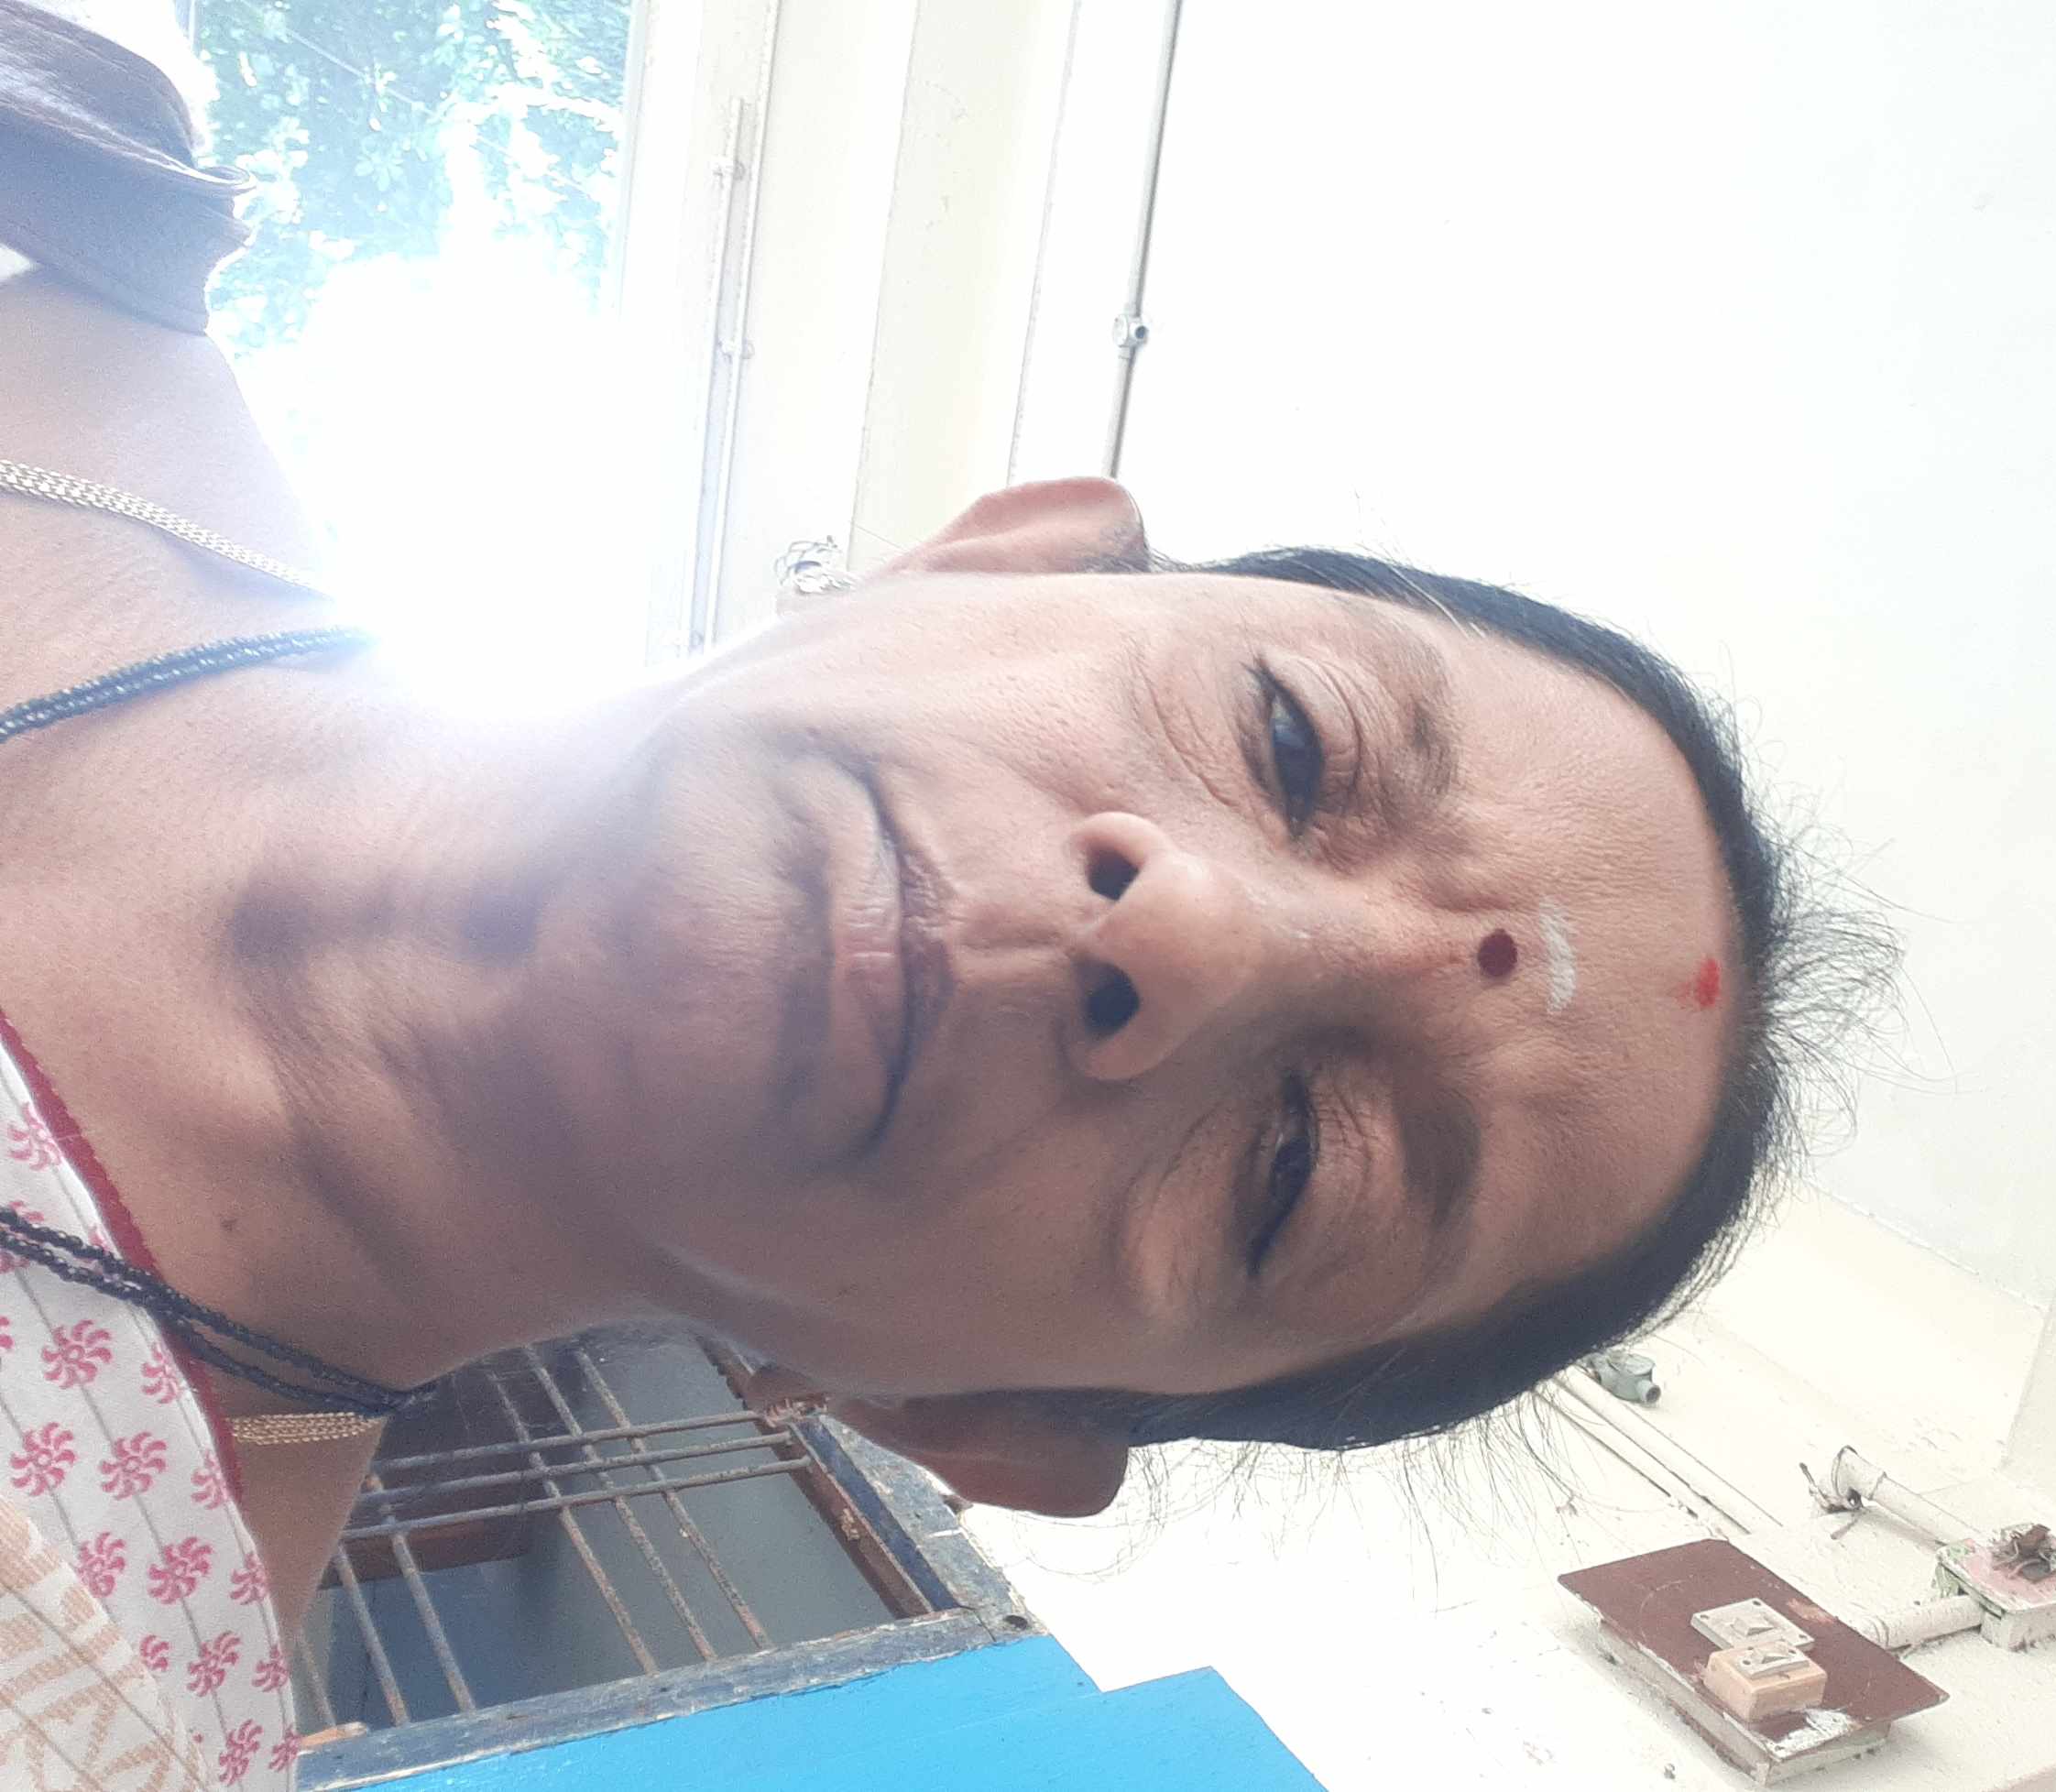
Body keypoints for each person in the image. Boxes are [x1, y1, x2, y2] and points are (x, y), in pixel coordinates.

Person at [0, 3, 1883, 1784]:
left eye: (1299, 1168)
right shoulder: (61, 192)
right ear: (1008, 554)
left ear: (982, 1423)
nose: (1190, 935)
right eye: (1291, 744)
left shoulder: (89, 1720)